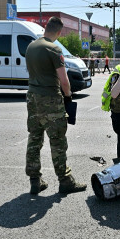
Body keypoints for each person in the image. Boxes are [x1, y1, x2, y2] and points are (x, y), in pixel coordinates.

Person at [25, 16, 87, 195]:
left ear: (45, 27)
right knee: (58, 141)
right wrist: (68, 96)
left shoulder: (31, 46)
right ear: (59, 32)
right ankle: (65, 180)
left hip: (33, 98)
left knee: (34, 139)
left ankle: (35, 181)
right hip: (51, 99)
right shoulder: (54, 49)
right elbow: (64, 80)